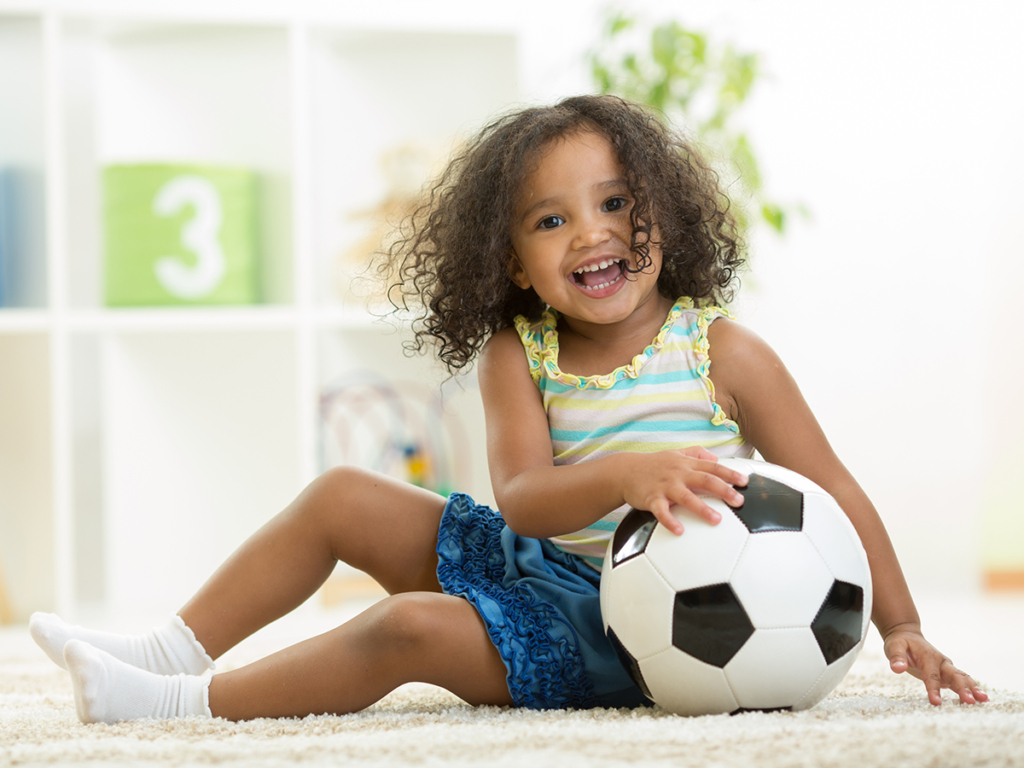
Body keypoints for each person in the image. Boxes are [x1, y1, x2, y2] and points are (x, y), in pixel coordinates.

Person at [30, 95, 986, 723]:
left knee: (407, 627)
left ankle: (179, 705)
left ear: (668, 215)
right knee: (341, 497)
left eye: (617, 203)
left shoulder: (725, 353)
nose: (593, 234)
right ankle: (162, 647)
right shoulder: (516, 353)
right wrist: (623, 474)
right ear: (508, 257)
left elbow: (832, 488)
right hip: (545, 560)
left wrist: (899, 624)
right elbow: (524, 498)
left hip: (640, 632)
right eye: (551, 219)